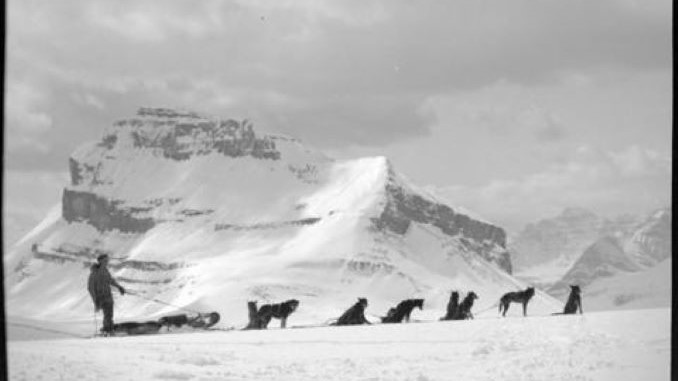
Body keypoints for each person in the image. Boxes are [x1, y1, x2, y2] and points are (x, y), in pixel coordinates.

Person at [87, 254, 125, 335]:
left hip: (108, 296)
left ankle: (107, 329)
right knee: (108, 314)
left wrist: (119, 287)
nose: (107, 262)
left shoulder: (105, 271)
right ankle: (108, 330)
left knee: (109, 314)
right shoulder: (94, 273)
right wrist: (95, 300)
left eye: (107, 260)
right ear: (100, 261)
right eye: (105, 260)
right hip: (101, 297)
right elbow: (90, 288)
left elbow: (110, 280)